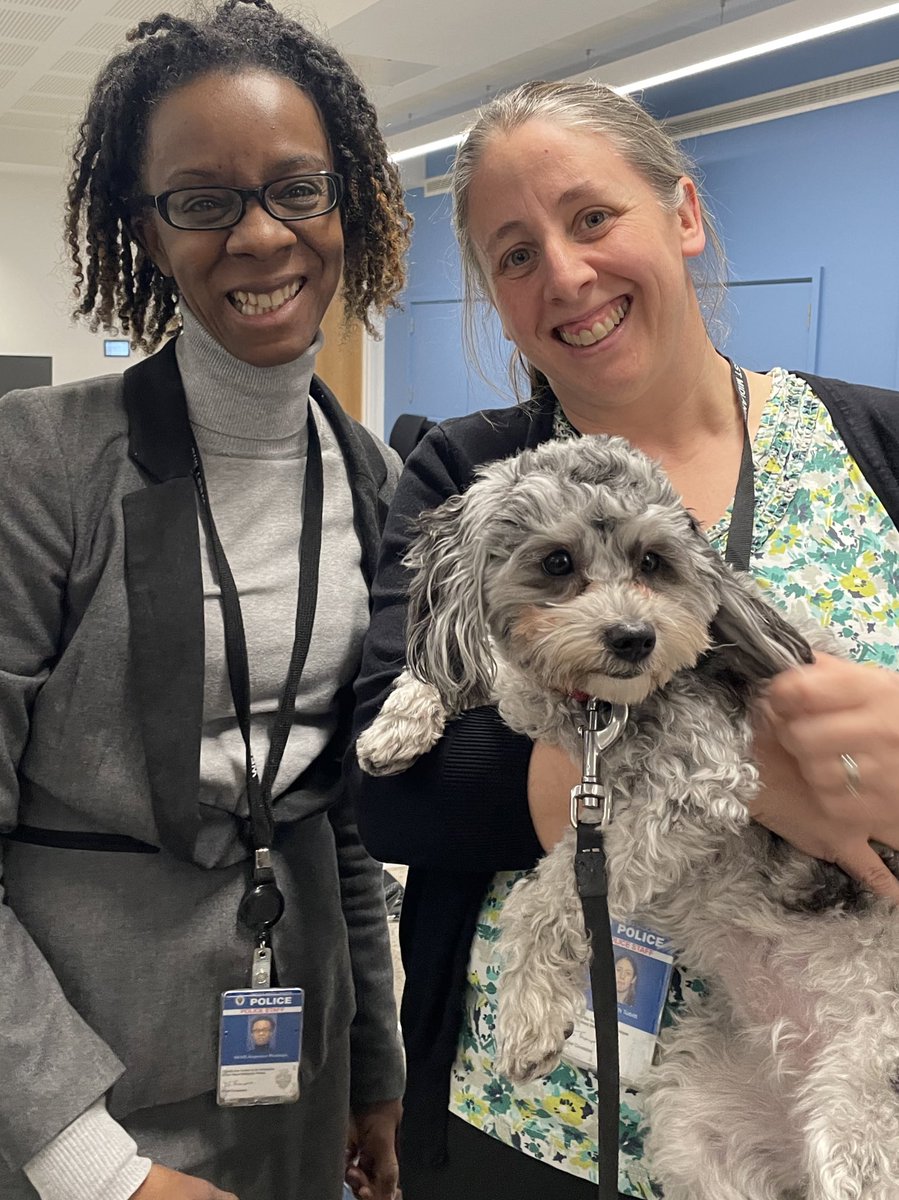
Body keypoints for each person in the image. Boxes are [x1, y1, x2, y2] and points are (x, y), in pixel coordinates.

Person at [349, 79, 899, 1199]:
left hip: (846, 1077)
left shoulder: (878, 440)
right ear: (495, 302)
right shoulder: (466, 480)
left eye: (591, 217)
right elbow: (390, 785)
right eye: (512, 255)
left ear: (682, 215)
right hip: (531, 1120)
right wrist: (747, 774)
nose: (562, 273)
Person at [0, 2, 412, 1198]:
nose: (259, 236)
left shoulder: (370, 475)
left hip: (297, 1070)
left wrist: (373, 1066)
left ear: (346, 203)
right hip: (80, 1088)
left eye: (295, 188)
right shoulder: (40, 466)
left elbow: (339, 805)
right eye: (201, 200)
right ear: (145, 229)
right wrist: (91, 1168)